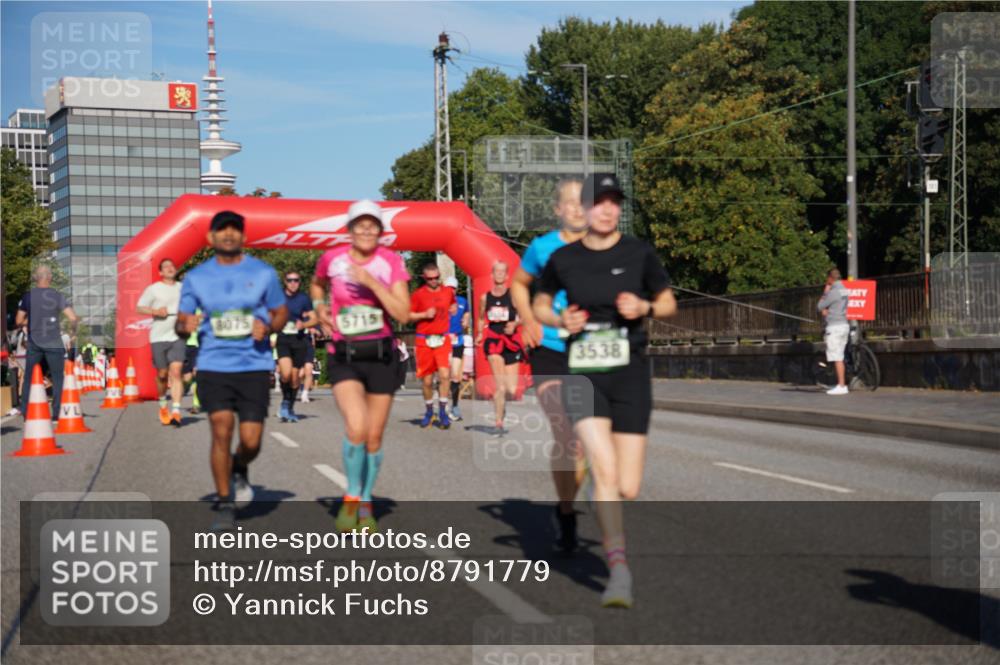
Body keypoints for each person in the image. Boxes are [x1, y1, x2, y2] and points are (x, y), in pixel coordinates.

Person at [533, 173, 677, 608]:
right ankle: (618, 571)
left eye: (615, 201)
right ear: (587, 208)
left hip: (630, 372)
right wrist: (560, 321)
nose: (608, 209)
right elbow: (541, 301)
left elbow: (669, 301)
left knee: (627, 486)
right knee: (605, 470)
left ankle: (604, 490)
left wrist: (646, 306)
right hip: (584, 374)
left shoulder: (638, 253)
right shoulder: (564, 257)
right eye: (600, 201)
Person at [177, 211, 288, 531]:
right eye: (221, 230)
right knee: (221, 430)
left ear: (243, 236)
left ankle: (240, 466)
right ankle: (225, 503)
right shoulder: (197, 277)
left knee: (252, 441)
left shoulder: (263, 273)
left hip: (253, 364)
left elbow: (280, 313)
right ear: (210, 238)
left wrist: (267, 324)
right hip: (214, 365)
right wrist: (186, 324)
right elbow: (181, 323)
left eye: (234, 230)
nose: (228, 235)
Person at [310, 199, 411, 532]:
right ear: (350, 230)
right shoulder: (332, 259)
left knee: (374, 437)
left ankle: (367, 500)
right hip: (344, 354)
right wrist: (320, 306)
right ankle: (352, 497)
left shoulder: (391, 262)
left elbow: (402, 313)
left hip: (381, 355)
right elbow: (317, 283)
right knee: (356, 426)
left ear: (381, 231)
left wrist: (371, 283)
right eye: (360, 225)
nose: (366, 230)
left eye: (372, 225)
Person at [510, 177, 589, 554]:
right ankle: (567, 513)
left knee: (586, 440)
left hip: (594, 350)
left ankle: (570, 496)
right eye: (569, 203)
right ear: (558, 210)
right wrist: (528, 320)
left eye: (583, 202)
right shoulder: (542, 247)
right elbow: (518, 285)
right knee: (566, 434)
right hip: (551, 347)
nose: (577, 208)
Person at [16, 264, 79, 422]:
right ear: (50, 278)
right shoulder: (57, 296)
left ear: (36, 278)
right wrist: (72, 333)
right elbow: (72, 318)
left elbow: (18, 321)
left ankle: (26, 412)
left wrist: (33, 320)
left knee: (29, 376)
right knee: (58, 377)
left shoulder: (27, 297)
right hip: (53, 341)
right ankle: (57, 414)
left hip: (34, 342)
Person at [136, 258, 186, 426]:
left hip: (178, 335)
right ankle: (163, 404)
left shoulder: (183, 288)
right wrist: (155, 310)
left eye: (172, 266)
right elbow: (139, 307)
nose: (170, 268)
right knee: (162, 375)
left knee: (177, 371)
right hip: (158, 336)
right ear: (160, 272)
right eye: (166, 267)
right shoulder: (153, 289)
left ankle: (177, 410)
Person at [477, 261, 522, 434]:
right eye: (497, 272)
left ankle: (501, 406)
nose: (500, 275)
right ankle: (498, 422)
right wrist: (480, 333)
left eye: (503, 272)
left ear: (507, 276)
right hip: (494, 341)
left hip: (511, 342)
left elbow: (525, 315)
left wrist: (515, 323)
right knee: (500, 386)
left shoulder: (513, 296)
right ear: (492, 275)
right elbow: (481, 318)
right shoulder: (485, 297)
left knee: (511, 389)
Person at [408, 263, 456, 429]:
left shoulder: (447, 291)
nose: (434, 281)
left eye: (437, 278)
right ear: (424, 278)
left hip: (442, 339)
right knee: (427, 381)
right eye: (430, 279)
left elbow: (452, 303)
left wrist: (455, 309)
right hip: (424, 341)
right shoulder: (418, 295)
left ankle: (443, 411)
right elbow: (408, 316)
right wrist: (423, 314)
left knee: (444, 375)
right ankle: (429, 411)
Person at [275, 271, 318, 422]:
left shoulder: (304, 298)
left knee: (294, 378)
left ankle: (289, 405)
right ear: (285, 281)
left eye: (296, 280)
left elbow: (314, 318)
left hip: (299, 340)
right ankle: (285, 402)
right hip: (283, 339)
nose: (293, 283)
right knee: (285, 374)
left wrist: (304, 324)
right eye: (290, 280)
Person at [817, 267, 851, 395]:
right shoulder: (844, 290)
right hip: (843, 324)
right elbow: (838, 305)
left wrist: (825, 292)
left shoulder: (833, 291)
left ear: (830, 278)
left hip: (834, 327)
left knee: (837, 356)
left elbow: (819, 306)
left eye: (827, 279)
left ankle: (841, 385)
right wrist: (830, 311)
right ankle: (840, 383)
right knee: (840, 355)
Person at [444, 276, 470, 421]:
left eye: (453, 288)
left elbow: (467, 311)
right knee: (445, 375)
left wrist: (466, 319)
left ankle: (454, 406)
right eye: (448, 288)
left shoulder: (462, 301)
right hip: (443, 342)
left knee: (456, 376)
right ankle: (443, 403)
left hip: (458, 341)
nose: (451, 291)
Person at [182, 308, 202, 414]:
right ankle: (187, 384)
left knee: (196, 373)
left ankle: (196, 404)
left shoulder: (204, 307)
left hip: (200, 345)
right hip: (186, 345)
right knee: (187, 378)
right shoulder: (187, 307)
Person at [300, 327, 318, 402]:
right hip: (296, 347)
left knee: (309, 370)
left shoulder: (312, 318)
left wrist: (316, 331)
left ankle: (305, 394)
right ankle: (300, 387)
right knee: (300, 374)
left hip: (308, 348)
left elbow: (317, 333)